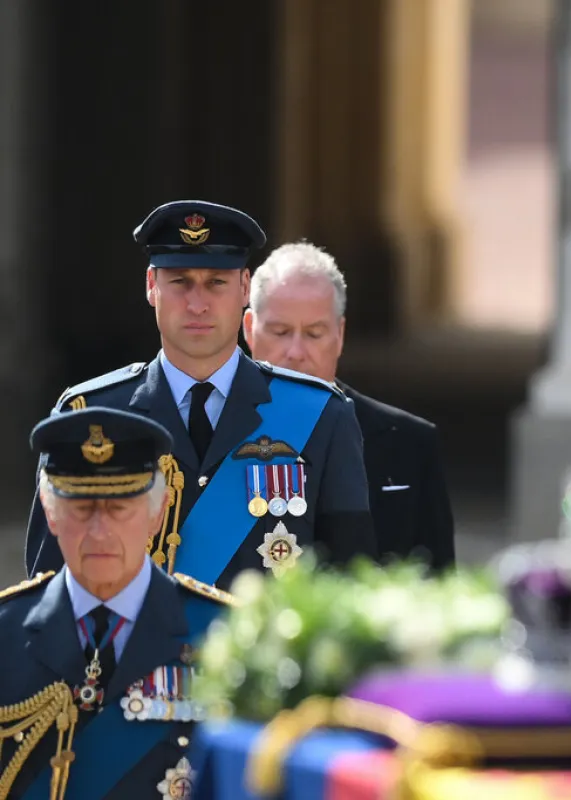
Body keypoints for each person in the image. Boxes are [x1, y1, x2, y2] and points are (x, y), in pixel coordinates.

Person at [24, 201, 377, 590]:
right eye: (180, 281)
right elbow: (50, 594)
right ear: (151, 286)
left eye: (216, 282)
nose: (197, 304)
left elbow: (348, 584)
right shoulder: (90, 415)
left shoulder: (320, 415)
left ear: (244, 287)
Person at [0, 407, 233, 798]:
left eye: (119, 509)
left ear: (157, 513)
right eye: (82, 509)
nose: (100, 531)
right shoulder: (6, 631)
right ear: (51, 513)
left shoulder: (224, 633)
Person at [242, 241, 455, 571]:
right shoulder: (208, 429)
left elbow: (437, 594)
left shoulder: (409, 444)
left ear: (339, 335)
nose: (296, 352)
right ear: (249, 331)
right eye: (280, 332)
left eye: (314, 334)